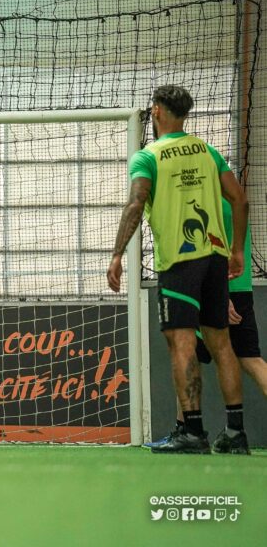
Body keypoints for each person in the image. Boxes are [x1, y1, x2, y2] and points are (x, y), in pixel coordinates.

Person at [107, 85, 249, 454]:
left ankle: (193, 432)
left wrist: (117, 254)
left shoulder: (148, 156)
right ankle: (235, 433)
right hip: (215, 257)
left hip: (179, 260)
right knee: (221, 342)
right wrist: (236, 251)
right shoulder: (208, 151)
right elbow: (239, 198)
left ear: (156, 111)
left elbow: (136, 203)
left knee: (181, 342)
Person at [147, 198, 265, 453]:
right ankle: (185, 429)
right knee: (240, 358)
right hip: (240, 286)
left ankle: (188, 431)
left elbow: (213, 246)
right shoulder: (233, 201)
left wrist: (222, 296)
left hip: (219, 289)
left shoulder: (209, 205)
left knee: (189, 354)